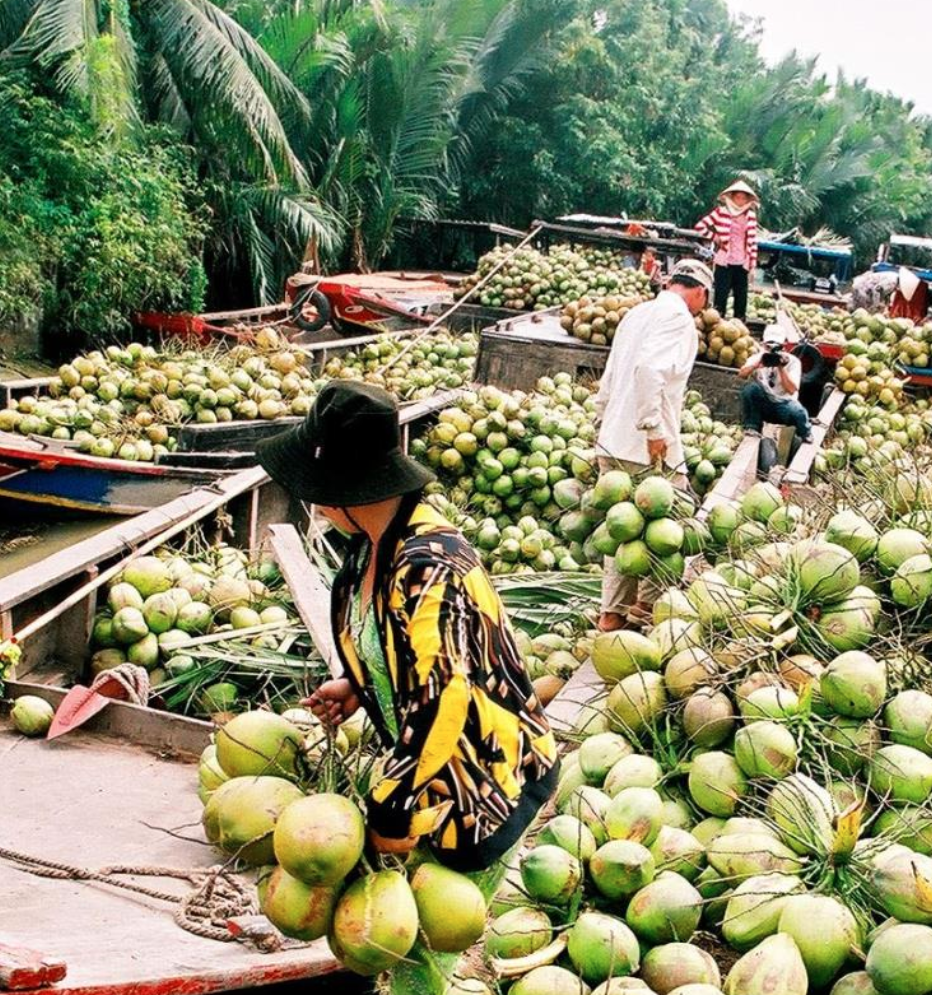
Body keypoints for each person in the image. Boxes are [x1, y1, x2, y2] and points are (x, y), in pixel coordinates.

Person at [253, 382, 559, 995]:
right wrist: (358, 686)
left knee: (422, 954)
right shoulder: (372, 545)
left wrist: (390, 807)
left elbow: (444, 697)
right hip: (431, 773)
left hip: (483, 780)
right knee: (407, 939)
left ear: (337, 487)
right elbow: (407, 655)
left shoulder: (429, 563)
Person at [593, 259, 712, 632]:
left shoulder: (637, 314)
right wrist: (653, 428)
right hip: (647, 447)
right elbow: (648, 370)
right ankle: (646, 611)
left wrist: (602, 422)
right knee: (667, 532)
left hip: (614, 441)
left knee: (623, 533)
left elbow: (610, 376)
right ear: (699, 291)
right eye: (705, 300)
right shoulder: (679, 319)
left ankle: (612, 615)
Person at [737, 314, 812, 446]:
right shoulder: (760, 357)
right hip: (765, 404)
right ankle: (752, 426)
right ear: (763, 344)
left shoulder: (793, 362)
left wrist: (781, 367)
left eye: (777, 347)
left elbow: (792, 389)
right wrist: (757, 364)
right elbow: (741, 374)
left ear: (784, 346)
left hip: (784, 405)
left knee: (799, 412)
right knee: (751, 389)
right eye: (768, 347)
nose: (772, 351)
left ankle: (805, 432)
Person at [694, 180, 761, 322]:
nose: (741, 201)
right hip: (724, 261)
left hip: (742, 262)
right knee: (721, 296)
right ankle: (717, 325)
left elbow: (753, 241)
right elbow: (700, 226)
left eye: (744, 198)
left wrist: (752, 265)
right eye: (738, 197)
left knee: (741, 297)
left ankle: (739, 325)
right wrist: (715, 237)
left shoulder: (750, 216)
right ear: (732, 197)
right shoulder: (721, 212)